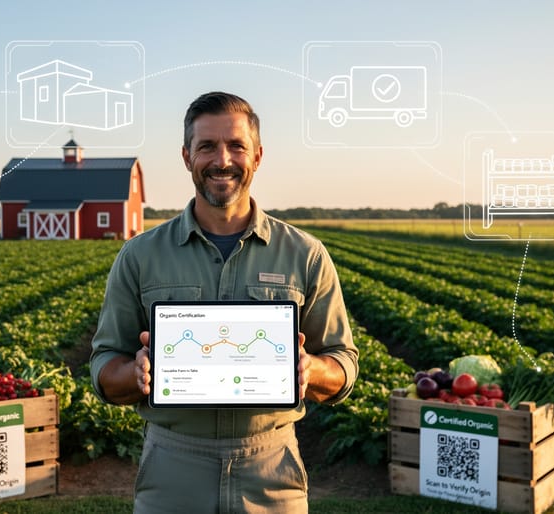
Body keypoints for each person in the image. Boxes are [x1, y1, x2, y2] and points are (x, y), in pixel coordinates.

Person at [90, 91, 359, 513]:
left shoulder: (304, 254)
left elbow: (344, 364)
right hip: (172, 466)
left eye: (236, 145)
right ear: (186, 157)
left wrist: (311, 370)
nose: (222, 160)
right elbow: (104, 366)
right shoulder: (140, 255)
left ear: (257, 156)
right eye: (207, 146)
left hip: (271, 468)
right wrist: (135, 373)